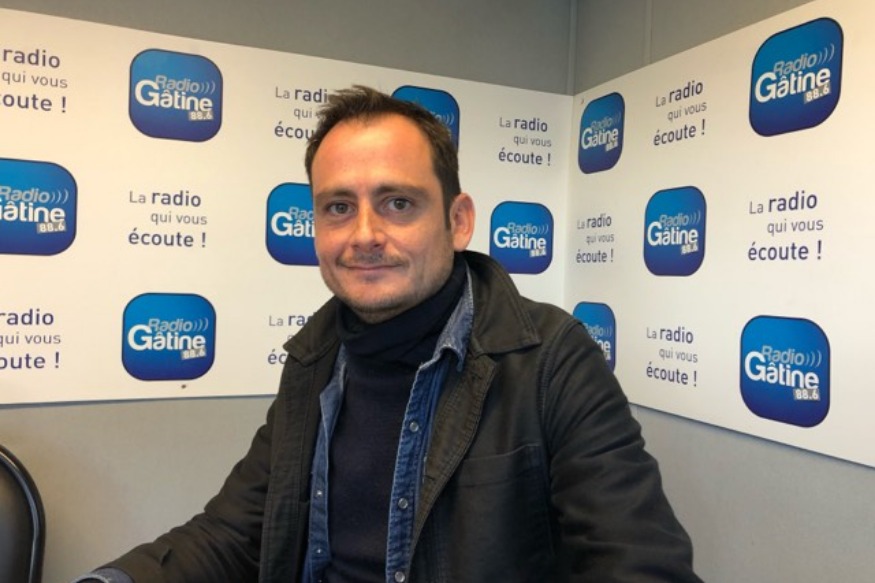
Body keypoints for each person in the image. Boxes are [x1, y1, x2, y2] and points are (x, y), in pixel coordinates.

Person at [73, 86, 703, 583]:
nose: (365, 235)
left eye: (398, 203)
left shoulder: (550, 358)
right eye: (338, 207)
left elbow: (638, 562)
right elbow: (236, 533)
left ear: (458, 221)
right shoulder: (315, 360)